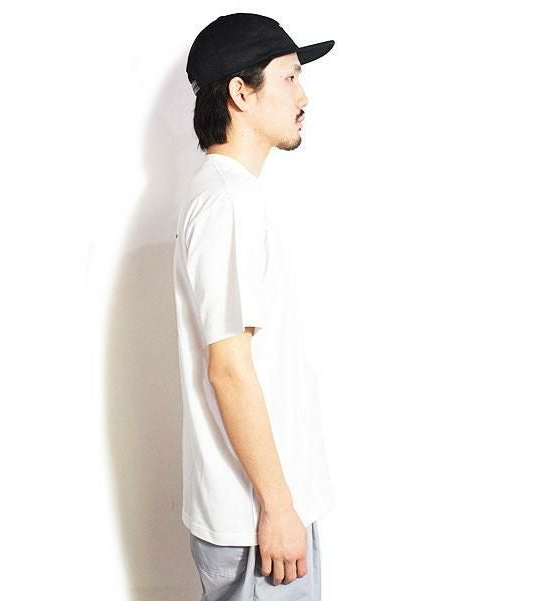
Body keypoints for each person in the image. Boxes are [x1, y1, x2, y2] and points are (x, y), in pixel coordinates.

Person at [173, 12, 335, 600]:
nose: (303, 96)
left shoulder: (225, 195)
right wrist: (279, 506)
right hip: (257, 521)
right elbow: (229, 369)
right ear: (241, 92)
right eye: (289, 77)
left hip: (257, 512)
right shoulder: (229, 203)